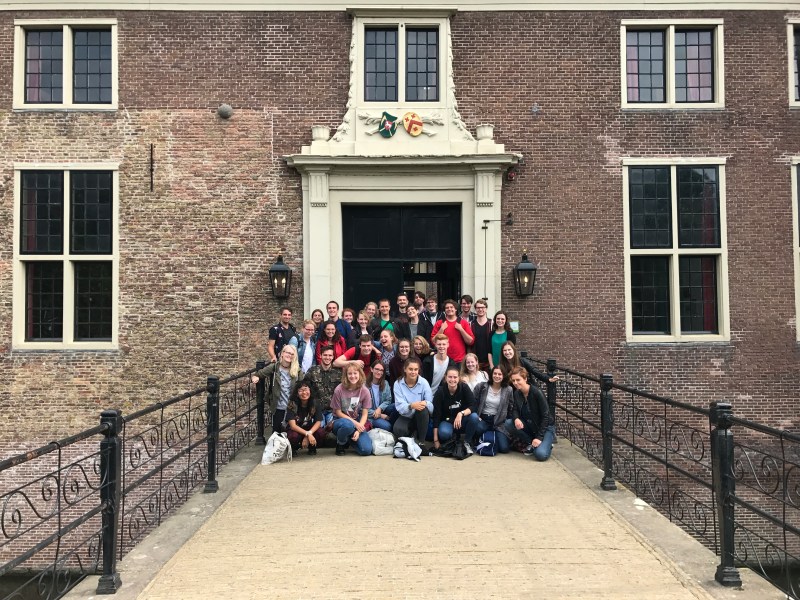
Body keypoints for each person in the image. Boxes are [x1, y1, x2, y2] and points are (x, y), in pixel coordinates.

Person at [251, 345, 304, 434]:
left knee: (292, 434)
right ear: (282, 353)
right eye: (287, 352)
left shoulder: (297, 370)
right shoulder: (275, 367)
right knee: (277, 433)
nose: (289, 355)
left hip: (292, 408)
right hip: (278, 406)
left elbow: (303, 386)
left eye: (292, 354)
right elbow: (259, 373)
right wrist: (255, 377)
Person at [506, 367, 555, 461]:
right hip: (531, 426)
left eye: (518, 380)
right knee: (508, 423)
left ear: (525, 379)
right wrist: (516, 419)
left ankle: (547, 444)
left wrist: (539, 438)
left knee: (540, 455)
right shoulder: (517, 393)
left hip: (545, 428)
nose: (515, 383)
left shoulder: (537, 393)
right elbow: (515, 409)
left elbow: (546, 417)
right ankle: (531, 442)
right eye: (513, 380)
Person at [330, 363, 373, 456]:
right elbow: (338, 412)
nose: (353, 376)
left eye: (355, 373)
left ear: (360, 374)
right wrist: (355, 424)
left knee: (366, 450)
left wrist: (358, 430)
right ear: (346, 375)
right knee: (348, 425)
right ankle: (340, 443)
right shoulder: (339, 389)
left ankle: (349, 439)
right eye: (350, 374)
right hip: (340, 421)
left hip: (356, 420)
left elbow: (365, 414)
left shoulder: (365, 390)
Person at [432, 366, 480, 450]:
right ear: (445, 377)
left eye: (455, 377)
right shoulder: (440, 392)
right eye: (450, 377)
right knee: (444, 433)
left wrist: (461, 413)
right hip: (447, 421)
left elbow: (473, 405)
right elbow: (436, 416)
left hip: (462, 420)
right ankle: (453, 439)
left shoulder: (464, 387)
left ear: (459, 378)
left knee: (474, 417)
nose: (452, 380)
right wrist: (436, 440)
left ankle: (467, 442)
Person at [392, 357, 433, 449]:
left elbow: (431, 404)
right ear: (405, 369)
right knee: (398, 430)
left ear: (419, 370)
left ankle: (421, 442)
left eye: (416, 369)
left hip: (421, 416)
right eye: (410, 369)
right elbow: (399, 406)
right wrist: (411, 406)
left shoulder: (424, 382)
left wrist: (424, 403)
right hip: (406, 415)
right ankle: (411, 437)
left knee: (422, 410)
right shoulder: (398, 384)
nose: (413, 372)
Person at [472, 366, 513, 453]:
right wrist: (476, 415)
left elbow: (511, 407)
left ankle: (492, 439)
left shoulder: (508, 390)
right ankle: (483, 439)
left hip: (499, 422)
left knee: (504, 449)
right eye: (495, 373)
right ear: (491, 374)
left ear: (503, 376)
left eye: (500, 374)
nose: (497, 376)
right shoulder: (482, 386)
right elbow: (473, 403)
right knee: (478, 429)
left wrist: (506, 420)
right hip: (483, 419)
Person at [304, 346, 342, 431]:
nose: (327, 357)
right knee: (319, 431)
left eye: (330, 355)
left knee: (332, 432)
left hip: (333, 411)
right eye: (325, 355)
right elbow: (304, 389)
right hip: (317, 410)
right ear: (320, 355)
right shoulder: (312, 371)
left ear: (333, 357)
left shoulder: (339, 372)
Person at [285, 380, 325, 454]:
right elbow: (293, 426)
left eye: (306, 389)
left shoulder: (315, 402)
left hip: (308, 428)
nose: (304, 393)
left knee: (321, 432)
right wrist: (307, 434)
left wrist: (309, 433)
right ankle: (293, 448)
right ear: (297, 393)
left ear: (310, 390)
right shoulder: (292, 404)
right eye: (301, 390)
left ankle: (312, 447)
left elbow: (318, 422)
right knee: (293, 436)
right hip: (296, 429)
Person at [430, 299, 474, 364]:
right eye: (447, 308)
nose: (449, 309)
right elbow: (433, 341)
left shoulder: (463, 323)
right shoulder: (439, 323)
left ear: (456, 309)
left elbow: (470, 341)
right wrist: (441, 329)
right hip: (443, 360)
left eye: (451, 307)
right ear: (444, 310)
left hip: (460, 360)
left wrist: (461, 329)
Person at [366, 361, 393, 431]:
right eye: (377, 369)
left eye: (381, 370)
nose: (379, 372)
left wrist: (380, 409)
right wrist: (380, 415)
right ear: (371, 369)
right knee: (388, 426)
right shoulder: (364, 386)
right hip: (370, 415)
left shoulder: (385, 383)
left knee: (395, 406)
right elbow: (361, 408)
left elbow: (388, 400)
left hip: (382, 410)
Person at [470, 299, 493, 370]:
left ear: (486, 309)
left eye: (482, 307)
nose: (480, 309)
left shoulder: (492, 323)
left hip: (489, 361)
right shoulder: (470, 324)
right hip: (475, 362)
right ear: (475, 309)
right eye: (478, 308)